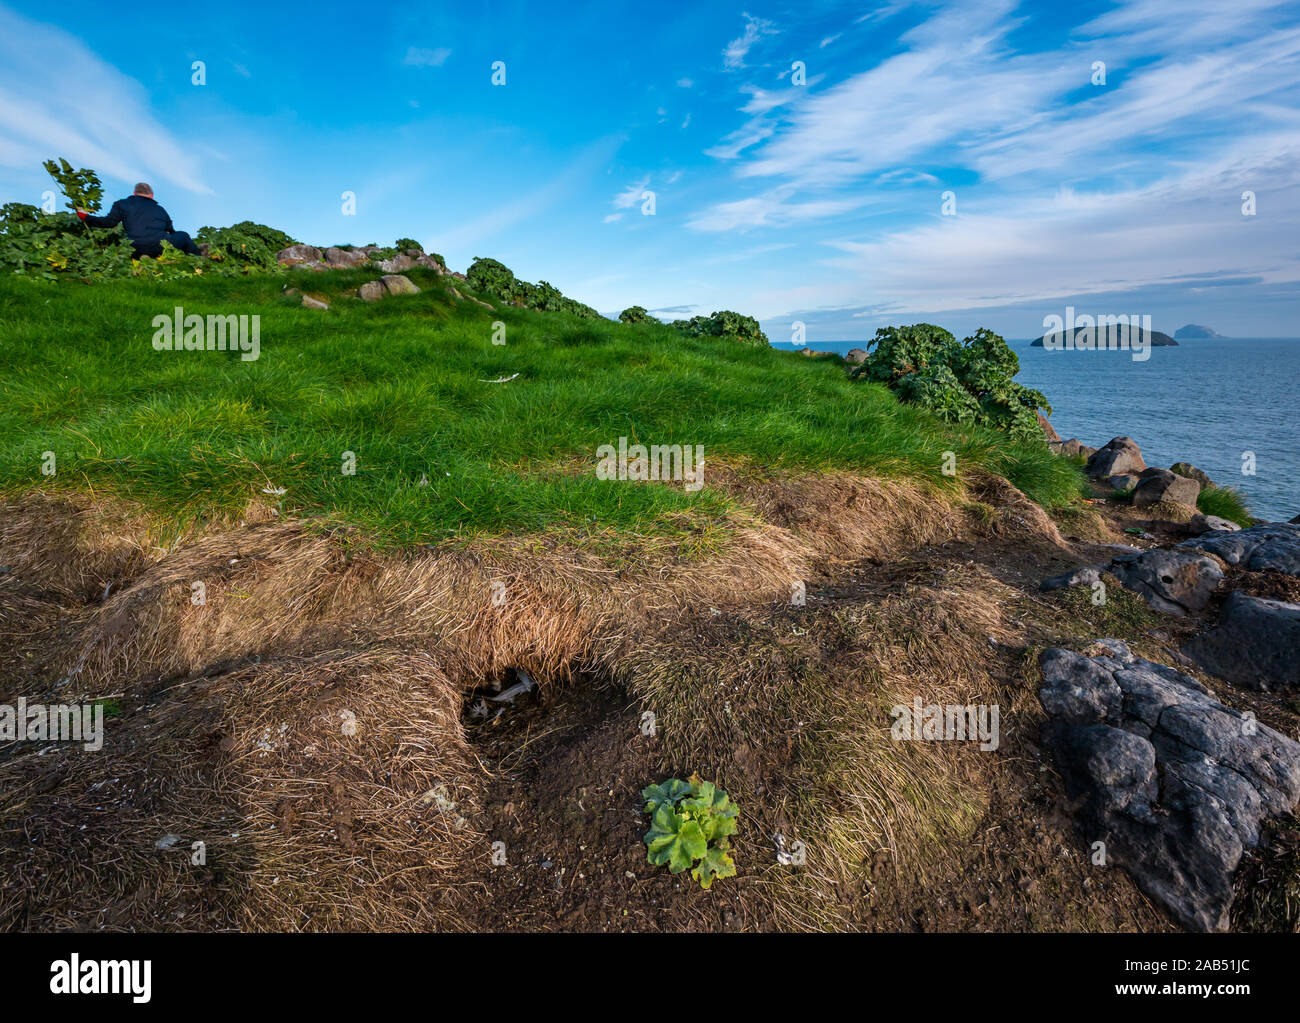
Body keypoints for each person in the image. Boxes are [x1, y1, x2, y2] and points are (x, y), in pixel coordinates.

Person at [78, 183, 201, 259]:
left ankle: (142, 256)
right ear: (151, 195)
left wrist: (86, 217)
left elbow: (109, 223)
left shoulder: (121, 204)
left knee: (138, 245)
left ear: (134, 193)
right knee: (183, 236)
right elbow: (170, 229)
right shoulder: (160, 209)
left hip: (133, 247)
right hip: (159, 247)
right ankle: (199, 259)